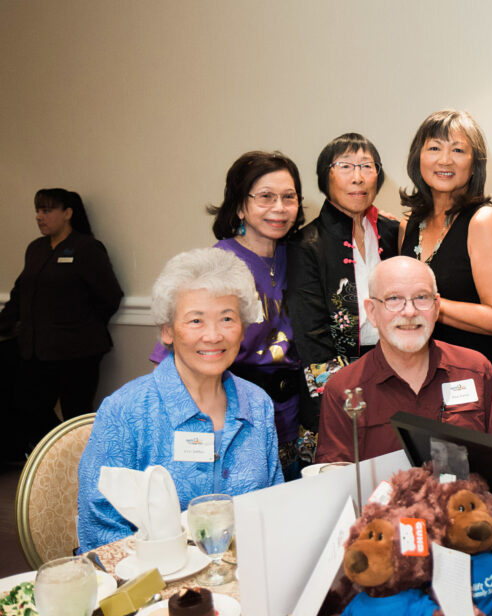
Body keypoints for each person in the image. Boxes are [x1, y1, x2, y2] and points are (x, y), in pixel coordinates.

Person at [78, 248, 284, 551]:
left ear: (243, 328)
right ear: (167, 332)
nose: (213, 336)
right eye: (196, 321)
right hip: (156, 587)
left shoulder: (258, 404)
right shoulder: (125, 411)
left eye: (227, 318)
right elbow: (101, 530)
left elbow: (272, 505)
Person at [151, 151, 305, 479]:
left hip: (292, 414)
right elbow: (172, 355)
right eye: (265, 197)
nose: (279, 207)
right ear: (239, 205)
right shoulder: (216, 266)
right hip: (233, 415)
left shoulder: (302, 259)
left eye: (288, 197)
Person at [316, 256, 492, 463]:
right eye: (394, 299)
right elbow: (334, 484)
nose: (410, 311)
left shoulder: (475, 370)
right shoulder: (343, 391)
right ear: (371, 311)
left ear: (436, 307)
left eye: (421, 297)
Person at [399, 110, 492, 410]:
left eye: (458, 150)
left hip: (472, 385)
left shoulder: (482, 220)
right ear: (418, 157)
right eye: (435, 148)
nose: (445, 160)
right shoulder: (409, 224)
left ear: (474, 165)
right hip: (421, 382)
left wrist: (428, 304)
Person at [286, 134, 400, 431]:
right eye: (346, 167)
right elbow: (311, 338)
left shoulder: (392, 232)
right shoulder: (306, 244)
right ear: (327, 176)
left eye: (367, 166)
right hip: (336, 383)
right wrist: (344, 401)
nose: (358, 177)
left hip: (396, 370)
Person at [0, 189, 122, 463]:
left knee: (76, 413)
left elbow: (110, 296)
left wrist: (81, 328)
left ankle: (86, 467)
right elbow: (21, 294)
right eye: (38, 210)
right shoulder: (36, 249)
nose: (39, 216)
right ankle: (59, 460)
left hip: (78, 352)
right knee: (27, 406)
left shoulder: (86, 248)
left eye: (47, 210)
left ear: (68, 213)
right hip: (37, 351)